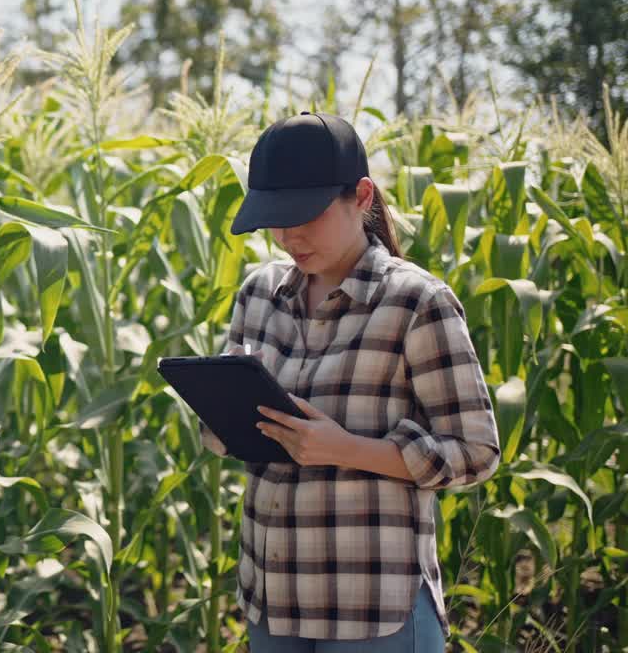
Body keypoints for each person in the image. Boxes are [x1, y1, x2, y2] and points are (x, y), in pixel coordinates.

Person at [202, 111, 501, 651]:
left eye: (304, 217)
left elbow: (477, 452)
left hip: (372, 606)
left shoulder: (416, 303)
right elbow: (232, 429)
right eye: (275, 219)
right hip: (271, 595)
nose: (288, 237)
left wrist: (346, 449)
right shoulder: (258, 293)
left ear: (361, 196)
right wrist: (223, 420)